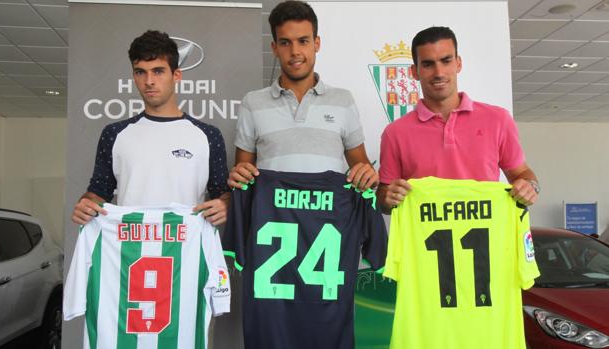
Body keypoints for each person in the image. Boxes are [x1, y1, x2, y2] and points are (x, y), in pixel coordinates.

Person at [71, 30, 230, 226]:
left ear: (176, 75)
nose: (149, 81)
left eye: (158, 71)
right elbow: (98, 192)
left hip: (184, 249)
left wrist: (225, 206)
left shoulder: (208, 135)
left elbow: (222, 193)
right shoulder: (114, 134)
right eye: (140, 72)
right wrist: (86, 205)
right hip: (130, 250)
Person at [377, 26, 539, 212]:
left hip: (488, 238)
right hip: (424, 240)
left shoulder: (497, 119)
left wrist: (529, 187)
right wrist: (387, 197)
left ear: (458, 63)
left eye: (446, 61)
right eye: (428, 64)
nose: (438, 72)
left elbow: (522, 173)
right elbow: (383, 199)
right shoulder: (395, 133)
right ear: (415, 71)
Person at [227, 0, 377, 190]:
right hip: (273, 218)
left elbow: (364, 173)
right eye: (285, 43)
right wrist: (238, 176)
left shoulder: (343, 101)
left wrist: (368, 176)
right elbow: (241, 177)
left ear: (317, 43)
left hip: (328, 218)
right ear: (274, 48)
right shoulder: (253, 103)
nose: (295, 51)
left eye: (303, 41)